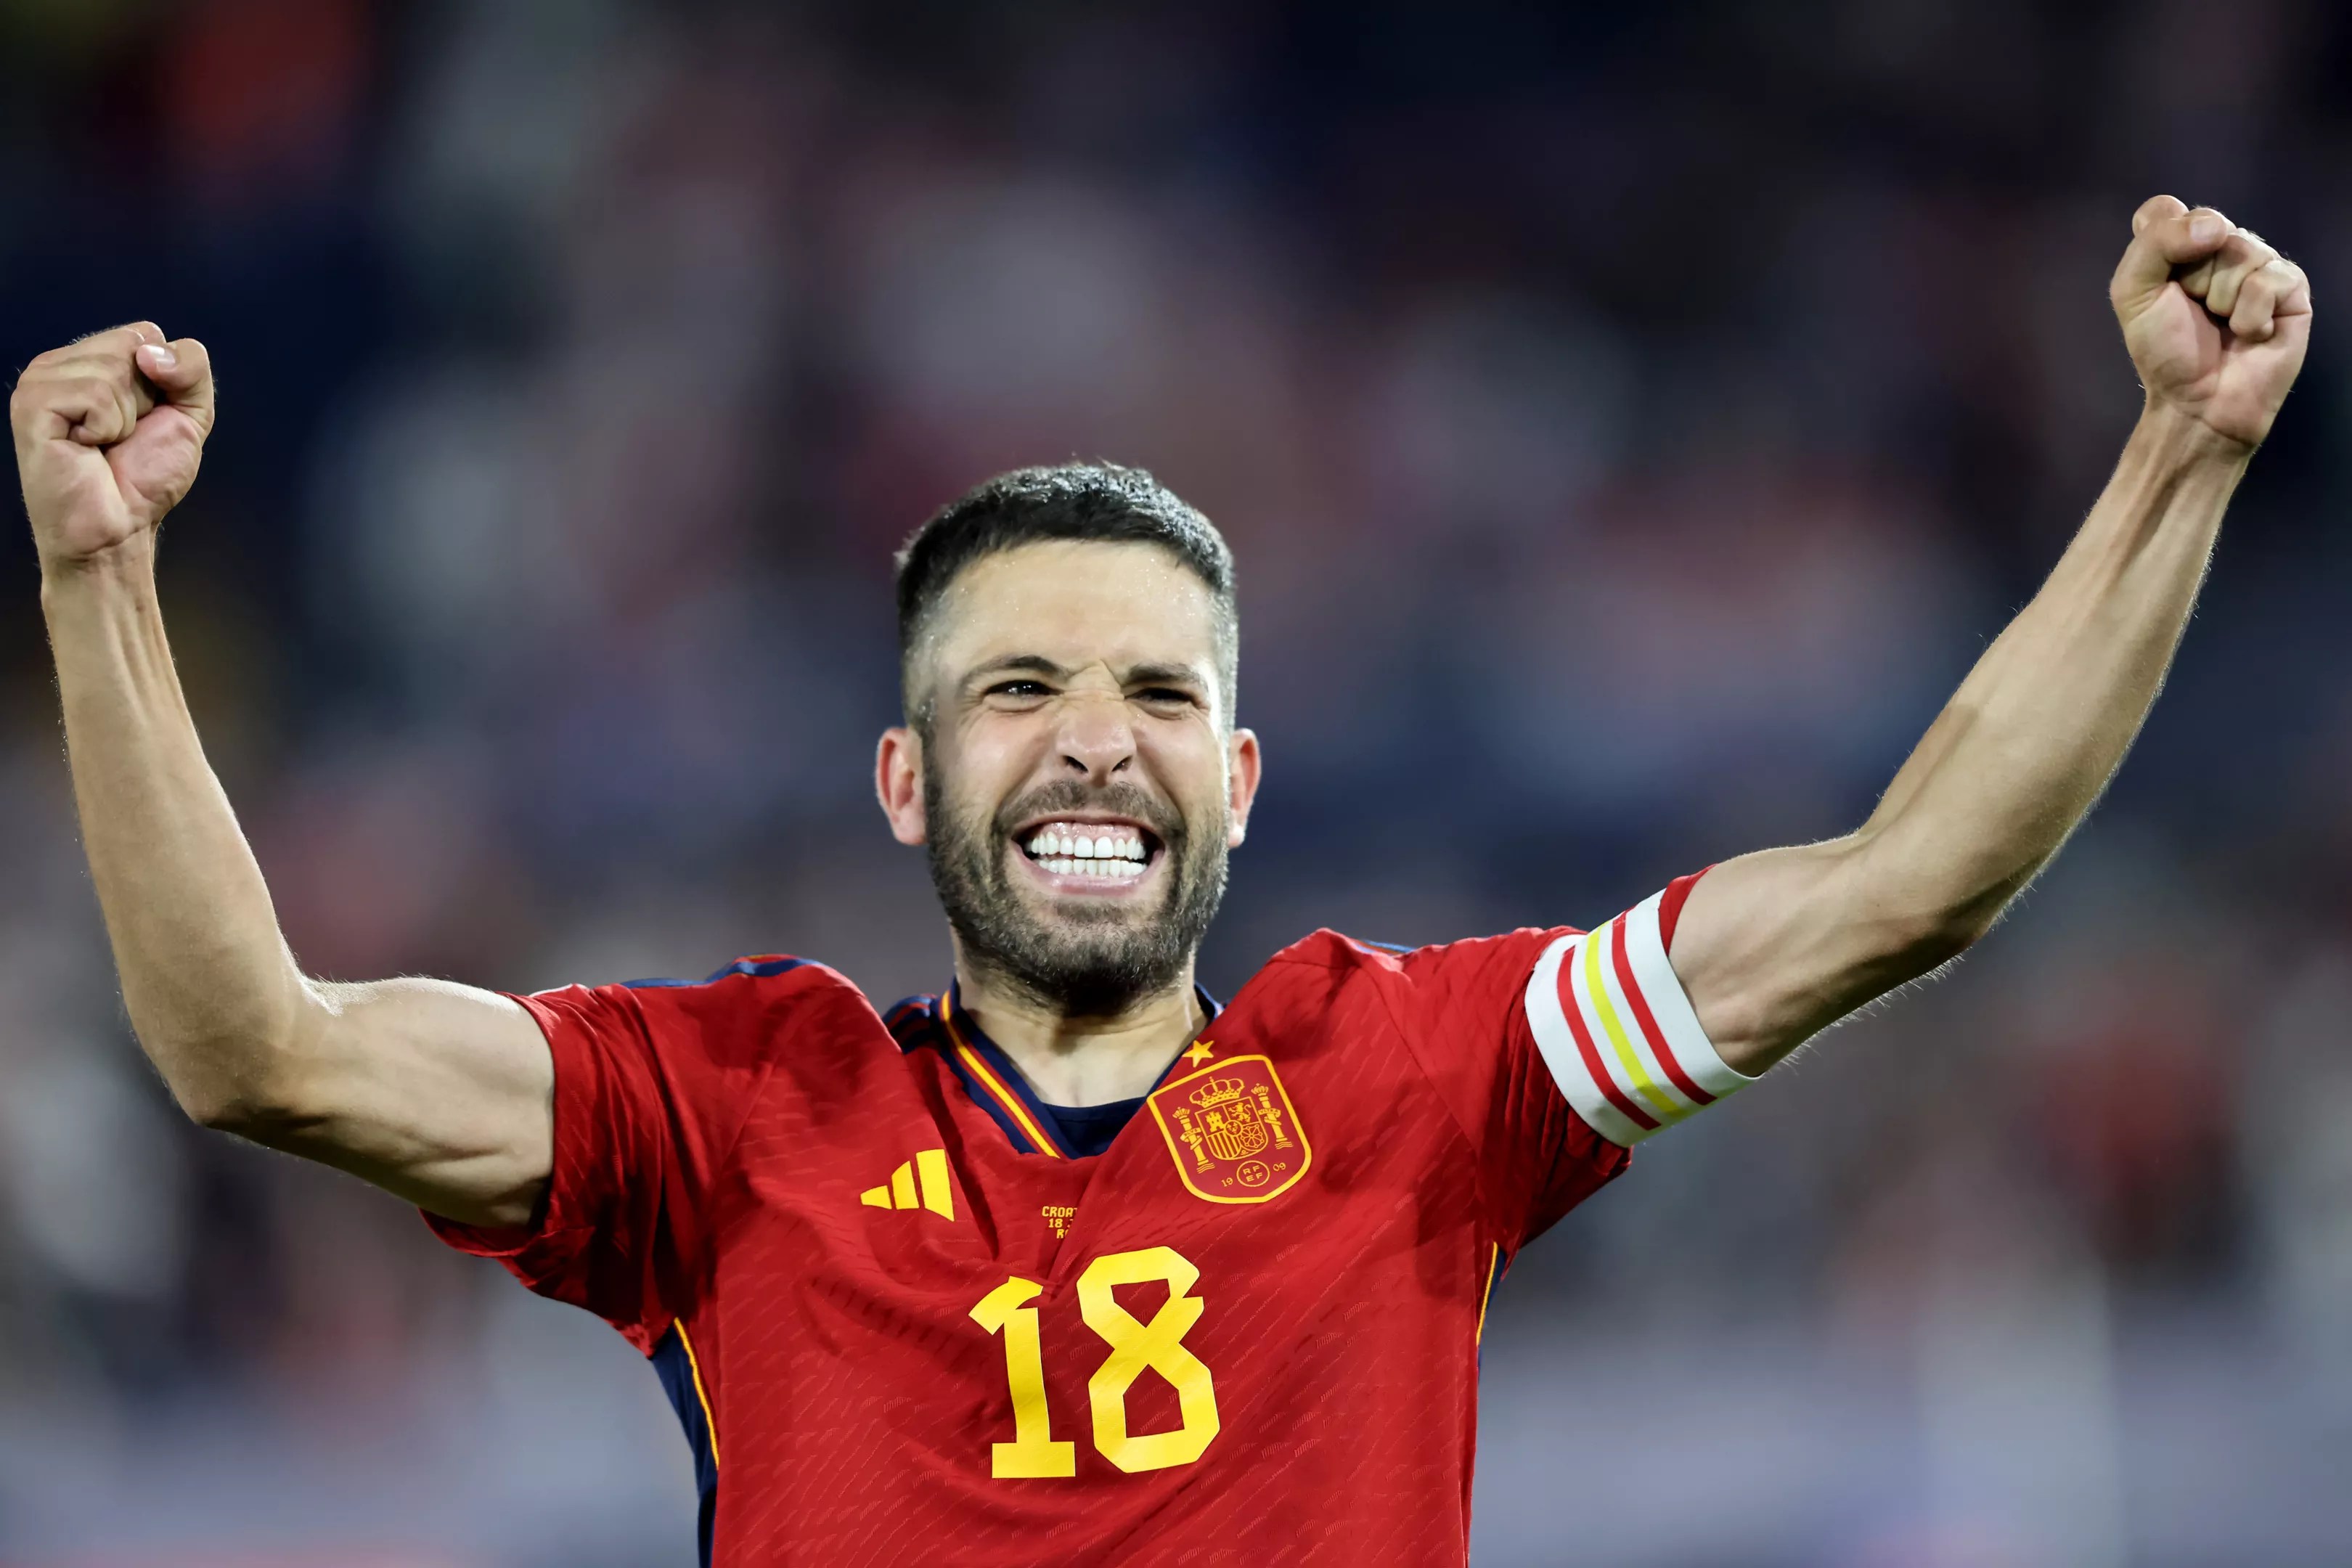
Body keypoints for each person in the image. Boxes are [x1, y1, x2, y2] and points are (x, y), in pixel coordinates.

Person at [8, 194, 2308, 1565]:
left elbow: (1910, 883)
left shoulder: (1413, 1078)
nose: (1093, 736)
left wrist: (2181, 456)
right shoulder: (732, 1115)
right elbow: (254, 1050)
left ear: (1243, 776)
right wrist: (101, 580)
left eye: (1154, 692)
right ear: (905, 782)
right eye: (1017, 689)